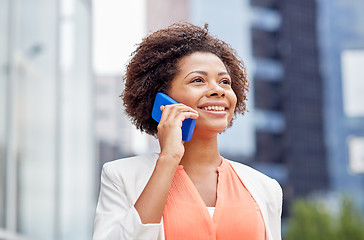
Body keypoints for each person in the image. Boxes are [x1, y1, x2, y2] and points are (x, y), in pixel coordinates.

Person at [93, 22, 283, 240]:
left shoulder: (266, 188)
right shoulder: (121, 177)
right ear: (162, 99)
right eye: (198, 80)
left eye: (224, 81)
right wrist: (168, 159)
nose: (218, 90)